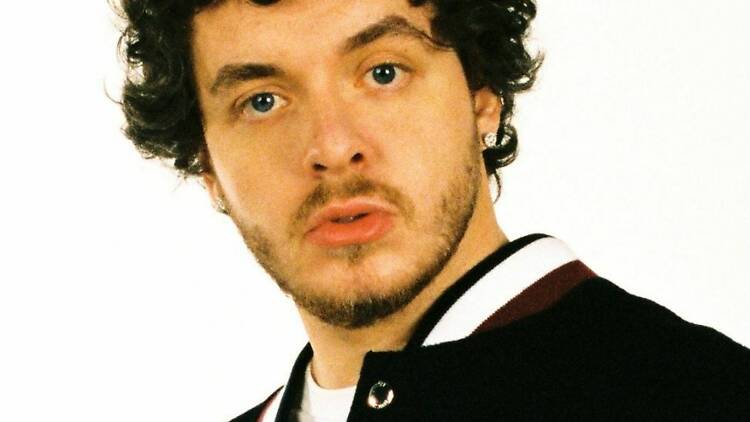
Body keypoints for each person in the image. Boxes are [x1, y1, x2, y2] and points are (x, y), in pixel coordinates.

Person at [116, 0, 750, 420]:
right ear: (207, 167)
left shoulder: (702, 395)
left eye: (384, 72)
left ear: (482, 95)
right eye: (262, 101)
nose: (334, 148)